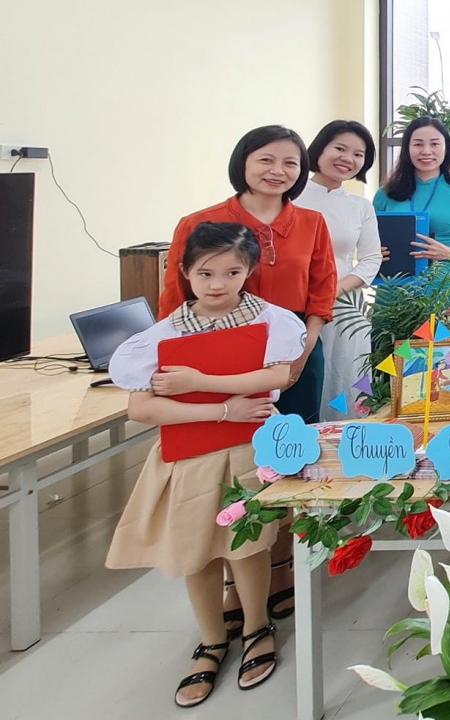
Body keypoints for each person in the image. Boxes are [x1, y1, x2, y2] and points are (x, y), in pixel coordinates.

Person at [106, 222, 302, 706]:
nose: (218, 284)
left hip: (249, 451)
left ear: (249, 270)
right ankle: (212, 639)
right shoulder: (162, 335)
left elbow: (276, 377)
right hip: (190, 456)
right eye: (206, 273)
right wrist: (223, 409)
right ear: (185, 272)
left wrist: (199, 381)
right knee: (196, 549)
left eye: (232, 272)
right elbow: (141, 409)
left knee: (248, 545)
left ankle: (256, 627)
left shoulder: (272, 322)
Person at [158, 125, 337, 628]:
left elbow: (321, 291)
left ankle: (280, 567)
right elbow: (173, 301)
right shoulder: (200, 222)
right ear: (243, 161)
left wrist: (302, 350)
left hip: (296, 357)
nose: (278, 171)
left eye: (290, 163)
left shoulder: (311, 222)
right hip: (217, 362)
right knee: (229, 466)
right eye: (266, 160)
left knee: (287, 459)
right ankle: (238, 576)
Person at [295, 120, 382, 416]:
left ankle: (347, 438)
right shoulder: (290, 197)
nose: (348, 158)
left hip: (346, 306)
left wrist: (335, 289)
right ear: (320, 149)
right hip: (296, 302)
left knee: (345, 376)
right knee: (303, 376)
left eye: (358, 154)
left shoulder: (360, 206)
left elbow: (371, 259)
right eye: (340, 148)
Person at [374, 117, 450, 291]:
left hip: (442, 288)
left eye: (435, 144)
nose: (426, 151)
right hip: (392, 289)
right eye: (418, 144)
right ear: (407, 149)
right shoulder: (385, 193)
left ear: (446, 148)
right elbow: (366, 239)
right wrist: (373, 252)